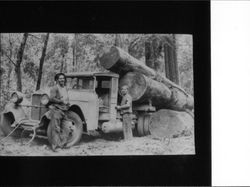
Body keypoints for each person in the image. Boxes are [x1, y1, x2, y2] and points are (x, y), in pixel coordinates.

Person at [49, 72, 70, 151]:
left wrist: (68, 103)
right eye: (60, 78)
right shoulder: (54, 88)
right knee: (56, 129)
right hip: (57, 110)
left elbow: (66, 98)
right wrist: (61, 101)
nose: (62, 80)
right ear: (57, 80)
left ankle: (62, 144)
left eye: (63, 78)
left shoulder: (65, 88)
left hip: (65, 110)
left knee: (67, 128)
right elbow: (51, 98)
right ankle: (55, 147)